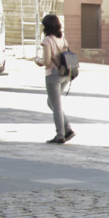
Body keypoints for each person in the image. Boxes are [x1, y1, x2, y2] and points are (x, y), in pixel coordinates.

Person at [35, 14, 75, 144]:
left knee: (56, 105)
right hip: (65, 75)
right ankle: (67, 128)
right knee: (51, 102)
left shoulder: (47, 40)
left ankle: (60, 134)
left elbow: (46, 61)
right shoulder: (62, 38)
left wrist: (38, 61)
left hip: (53, 75)